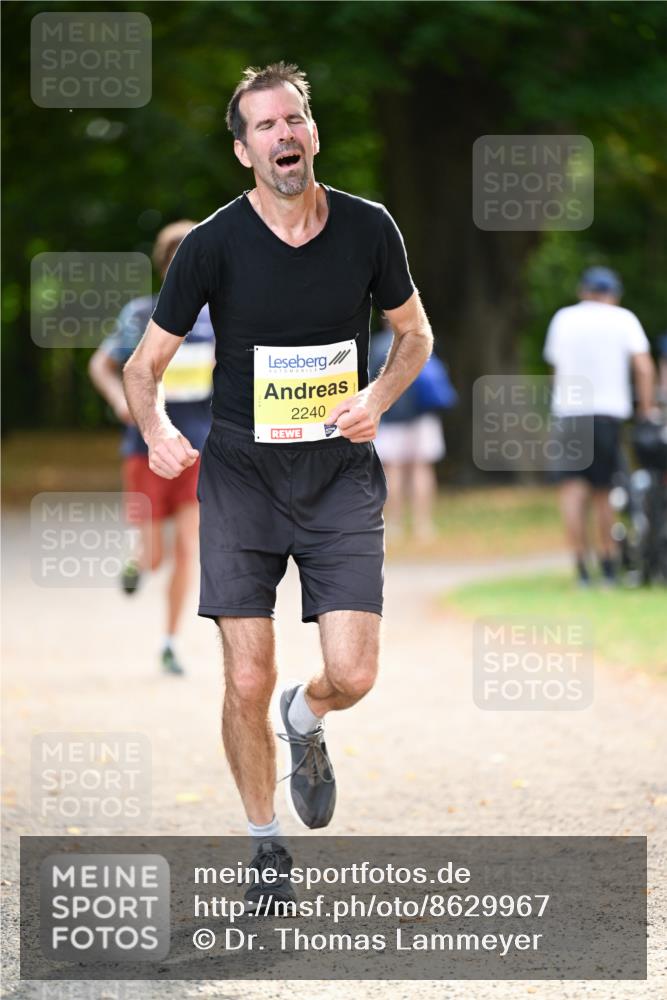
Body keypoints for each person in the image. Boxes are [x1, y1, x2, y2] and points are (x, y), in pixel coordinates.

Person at [121, 62, 432, 909]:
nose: (282, 136)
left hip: (336, 477)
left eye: (292, 119)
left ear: (313, 132)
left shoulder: (369, 228)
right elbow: (142, 368)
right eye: (263, 126)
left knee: (354, 673)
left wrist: (376, 398)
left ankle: (309, 717)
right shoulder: (212, 246)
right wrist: (155, 435)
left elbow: (413, 334)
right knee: (245, 677)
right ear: (242, 149)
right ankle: (265, 846)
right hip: (242, 480)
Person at [89, 221, 215, 674]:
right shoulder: (141, 315)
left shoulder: (221, 316)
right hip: (144, 450)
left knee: (187, 547)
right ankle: (139, 564)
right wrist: (119, 400)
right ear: (167, 264)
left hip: (196, 451)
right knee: (156, 555)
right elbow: (100, 365)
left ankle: (170, 642)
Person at [543, 266, 655, 586]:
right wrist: (646, 411)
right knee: (604, 492)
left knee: (571, 492)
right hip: (606, 415)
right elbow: (644, 368)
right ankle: (608, 565)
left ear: (583, 291)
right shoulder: (623, 319)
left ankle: (581, 568)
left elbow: (555, 368)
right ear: (613, 294)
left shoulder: (563, 318)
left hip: (568, 414)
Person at [370, 321, 447, 541]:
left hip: (390, 415)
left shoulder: (378, 345)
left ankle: (393, 525)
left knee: (393, 469)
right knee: (422, 467)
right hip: (423, 414)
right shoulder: (422, 338)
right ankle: (423, 525)